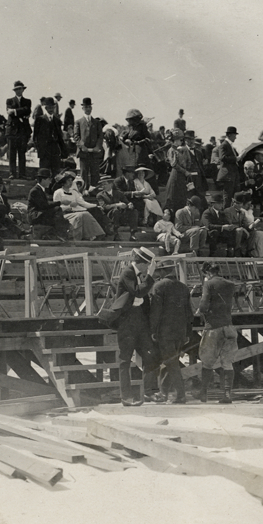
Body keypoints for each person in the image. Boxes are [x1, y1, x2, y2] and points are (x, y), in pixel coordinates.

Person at [103, 247, 160, 407]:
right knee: (125, 360)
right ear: (142, 264)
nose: (148, 269)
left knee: (151, 355)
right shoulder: (128, 272)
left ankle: (149, 391)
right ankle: (126, 397)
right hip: (127, 323)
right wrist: (149, 277)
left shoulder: (138, 273)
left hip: (140, 323)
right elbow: (138, 293)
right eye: (148, 266)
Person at [147, 257, 194, 404]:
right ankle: (163, 393)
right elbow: (189, 313)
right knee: (169, 362)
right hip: (180, 332)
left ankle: (180, 395)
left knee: (171, 364)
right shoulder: (183, 287)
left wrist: (153, 330)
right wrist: (188, 332)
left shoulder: (158, 286)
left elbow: (155, 312)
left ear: (161, 272)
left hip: (165, 332)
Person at [196, 261, 237, 403]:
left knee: (207, 362)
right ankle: (227, 394)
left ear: (207, 272)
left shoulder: (208, 284)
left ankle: (203, 393)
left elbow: (203, 306)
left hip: (213, 327)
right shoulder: (230, 284)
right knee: (227, 362)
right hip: (228, 326)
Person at [53, 173, 105, 240]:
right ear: (63, 182)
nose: (71, 182)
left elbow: (83, 203)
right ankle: (80, 238)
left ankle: (97, 234)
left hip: (76, 212)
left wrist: (96, 206)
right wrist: (69, 206)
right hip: (65, 214)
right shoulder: (58, 192)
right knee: (83, 215)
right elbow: (56, 207)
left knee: (85, 214)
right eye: (69, 181)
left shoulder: (74, 192)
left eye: (71, 180)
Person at [27, 168, 69, 240]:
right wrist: (60, 202)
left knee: (63, 219)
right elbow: (43, 206)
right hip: (35, 216)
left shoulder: (40, 190)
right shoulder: (35, 190)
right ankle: (61, 234)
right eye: (49, 180)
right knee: (57, 210)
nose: (50, 182)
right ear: (43, 180)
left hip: (40, 214)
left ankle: (60, 234)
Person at [73, 97, 103, 188]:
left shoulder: (97, 122)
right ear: (82, 108)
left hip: (94, 152)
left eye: (89, 107)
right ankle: (84, 191)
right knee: (84, 172)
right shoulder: (78, 122)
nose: (88, 109)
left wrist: (98, 147)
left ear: (92, 108)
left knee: (95, 172)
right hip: (83, 152)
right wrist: (82, 146)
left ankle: (94, 191)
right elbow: (76, 136)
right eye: (86, 107)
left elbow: (100, 136)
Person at [6, 80, 33, 179]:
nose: (18, 91)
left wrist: (15, 111)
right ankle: (12, 173)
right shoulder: (9, 100)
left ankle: (22, 174)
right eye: (16, 89)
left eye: (20, 89)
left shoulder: (28, 101)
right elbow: (9, 113)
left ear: (23, 89)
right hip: (12, 131)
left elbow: (28, 110)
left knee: (22, 154)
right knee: (12, 154)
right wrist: (22, 113)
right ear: (14, 90)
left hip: (23, 132)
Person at [33, 96, 68, 169]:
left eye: (52, 107)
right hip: (44, 152)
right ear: (45, 108)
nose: (51, 109)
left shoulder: (57, 121)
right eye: (49, 107)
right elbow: (35, 136)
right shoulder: (40, 120)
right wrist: (39, 149)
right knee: (44, 172)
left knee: (55, 172)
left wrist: (63, 152)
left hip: (55, 151)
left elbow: (60, 137)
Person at [215, 126, 241, 206]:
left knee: (231, 195)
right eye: (234, 135)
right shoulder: (224, 145)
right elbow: (222, 157)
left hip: (231, 175)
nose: (235, 137)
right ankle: (225, 214)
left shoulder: (229, 145)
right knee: (227, 196)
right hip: (228, 175)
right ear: (229, 135)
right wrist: (235, 158)